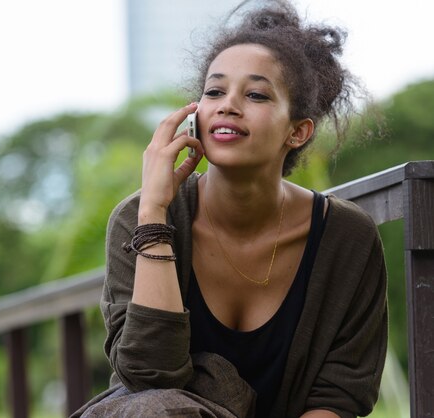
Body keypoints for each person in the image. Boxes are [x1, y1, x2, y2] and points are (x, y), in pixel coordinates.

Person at [72, 0, 388, 417]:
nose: (227, 105)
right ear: (195, 114)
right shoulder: (141, 217)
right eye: (214, 91)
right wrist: (153, 215)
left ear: (298, 131)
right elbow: (149, 377)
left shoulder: (346, 236)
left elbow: (341, 395)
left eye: (255, 94)